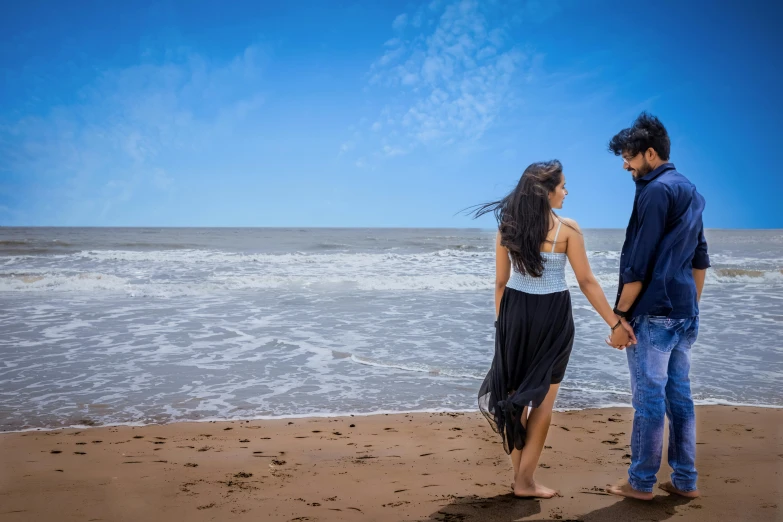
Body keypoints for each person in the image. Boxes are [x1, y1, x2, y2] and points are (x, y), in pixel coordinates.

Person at [472, 160, 636, 499]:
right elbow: (587, 281)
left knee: (515, 400)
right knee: (543, 404)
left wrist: (503, 328)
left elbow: (501, 284)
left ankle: (521, 479)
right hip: (553, 318)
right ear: (546, 192)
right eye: (562, 186)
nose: (566, 191)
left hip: (514, 316)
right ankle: (525, 482)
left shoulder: (508, 228)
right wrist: (616, 322)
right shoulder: (567, 229)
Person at [605, 112, 710, 500]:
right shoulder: (693, 192)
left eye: (629, 156)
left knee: (649, 399)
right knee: (679, 397)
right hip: (684, 312)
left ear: (651, 153)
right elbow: (700, 259)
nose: (625, 164)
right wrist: (688, 306)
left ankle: (641, 483)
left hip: (653, 314)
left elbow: (639, 261)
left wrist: (619, 317)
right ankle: (685, 481)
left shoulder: (654, 191)